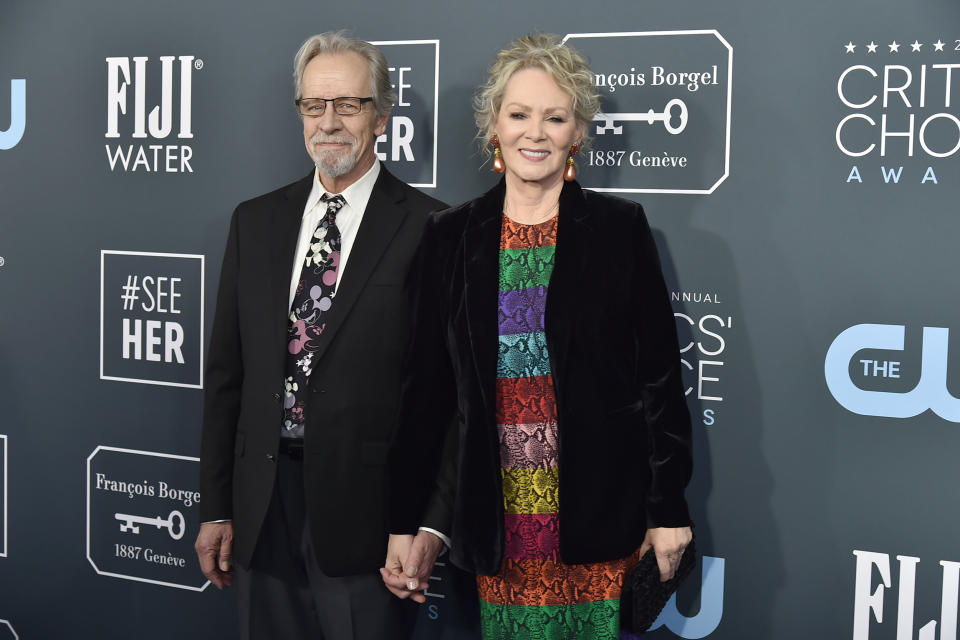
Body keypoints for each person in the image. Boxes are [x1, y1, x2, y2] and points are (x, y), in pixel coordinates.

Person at [383, 34, 693, 638]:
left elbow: (659, 382)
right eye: (519, 114)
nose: (536, 132)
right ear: (492, 126)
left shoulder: (618, 230)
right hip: (500, 518)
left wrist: (669, 509)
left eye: (555, 117)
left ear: (577, 132)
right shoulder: (451, 236)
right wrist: (404, 520)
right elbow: (424, 396)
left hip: (597, 514)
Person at [195, 31, 451, 640]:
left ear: (382, 115)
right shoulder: (254, 221)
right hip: (261, 508)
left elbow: (450, 400)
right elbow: (226, 377)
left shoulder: (433, 228)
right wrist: (217, 504)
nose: (329, 122)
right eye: (315, 105)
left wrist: (429, 523)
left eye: (349, 105)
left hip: (373, 520)